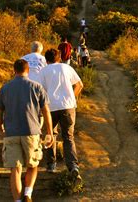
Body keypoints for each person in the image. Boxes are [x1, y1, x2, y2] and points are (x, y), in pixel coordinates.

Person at [0, 59, 54, 202]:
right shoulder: (37, 87)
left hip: (11, 133)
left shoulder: (5, 88)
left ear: (14, 71)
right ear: (28, 70)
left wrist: (0, 126)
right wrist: (50, 132)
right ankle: (28, 193)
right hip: (32, 132)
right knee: (33, 165)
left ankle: (17, 200)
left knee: (15, 169)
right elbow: (46, 112)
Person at [38, 49, 83, 184]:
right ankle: (73, 166)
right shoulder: (67, 67)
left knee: (51, 134)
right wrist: (71, 98)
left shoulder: (44, 71)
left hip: (51, 107)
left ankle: (51, 165)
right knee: (68, 137)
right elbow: (80, 85)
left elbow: (41, 91)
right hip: (68, 106)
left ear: (46, 60)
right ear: (60, 58)